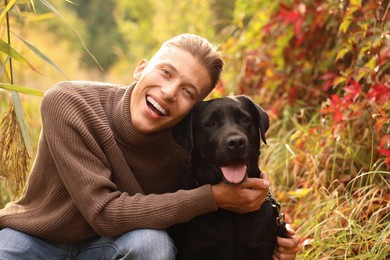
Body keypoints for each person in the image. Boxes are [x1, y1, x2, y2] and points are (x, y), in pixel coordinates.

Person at [0, 34, 301, 259]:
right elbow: (102, 212)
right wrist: (211, 198)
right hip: (35, 240)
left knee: (152, 245)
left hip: (111, 247)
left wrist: (277, 245)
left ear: (194, 109)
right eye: (166, 73)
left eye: (187, 91)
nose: (169, 93)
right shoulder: (69, 103)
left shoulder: (189, 144)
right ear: (140, 68)